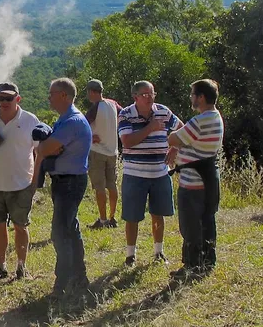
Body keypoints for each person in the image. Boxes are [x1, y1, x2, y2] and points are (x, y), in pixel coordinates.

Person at [0, 82, 40, 281]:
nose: (4, 102)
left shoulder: (30, 120)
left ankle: (21, 267)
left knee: (21, 226)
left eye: (8, 98)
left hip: (21, 184)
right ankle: (0, 266)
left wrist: (35, 180)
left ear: (17, 99)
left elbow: (40, 151)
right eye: (0, 98)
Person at [35, 78, 92, 297]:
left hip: (70, 181)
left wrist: (46, 146)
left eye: (52, 93)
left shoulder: (72, 122)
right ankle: (79, 277)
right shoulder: (64, 120)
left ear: (64, 96)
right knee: (70, 229)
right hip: (64, 181)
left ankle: (63, 283)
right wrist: (48, 147)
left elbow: (45, 148)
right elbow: (47, 148)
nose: (49, 97)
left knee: (60, 232)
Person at [117, 81, 183, 268]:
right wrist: (151, 128)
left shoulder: (163, 111)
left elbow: (181, 127)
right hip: (134, 174)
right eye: (145, 94)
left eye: (152, 93)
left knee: (158, 214)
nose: (149, 98)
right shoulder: (126, 114)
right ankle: (130, 255)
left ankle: (158, 251)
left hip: (160, 173)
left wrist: (174, 147)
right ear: (135, 97)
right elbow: (127, 141)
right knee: (132, 216)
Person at [167, 79, 224, 278]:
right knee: (207, 221)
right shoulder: (216, 117)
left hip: (192, 183)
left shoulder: (199, 121)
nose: (191, 98)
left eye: (193, 94)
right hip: (208, 180)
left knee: (190, 225)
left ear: (201, 97)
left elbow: (173, 139)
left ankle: (192, 266)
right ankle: (207, 261)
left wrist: (175, 139)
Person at [83, 79, 123, 229]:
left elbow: (83, 126)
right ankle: (113, 218)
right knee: (112, 185)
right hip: (113, 151)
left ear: (92, 92)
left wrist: (91, 136)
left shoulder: (95, 108)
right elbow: (124, 114)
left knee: (99, 187)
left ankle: (103, 220)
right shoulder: (113, 104)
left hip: (97, 151)